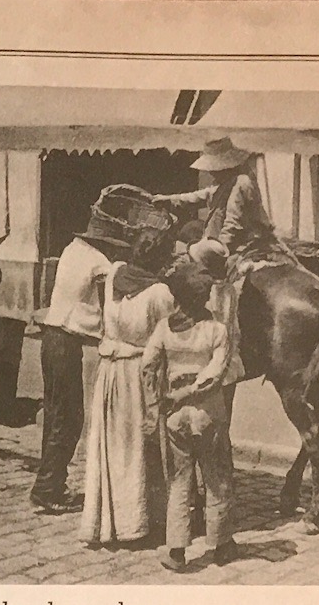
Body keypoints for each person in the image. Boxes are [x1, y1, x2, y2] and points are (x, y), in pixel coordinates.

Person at [31, 207, 126, 513]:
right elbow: (112, 301)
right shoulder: (99, 262)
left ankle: (50, 484)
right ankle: (48, 489)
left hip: (52, 337)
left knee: (56, 412)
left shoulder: (72, 249)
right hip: (65, 342)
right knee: (70, 419)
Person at [143, 258, 237, 571]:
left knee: (179, 480)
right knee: (217, 477)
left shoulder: (163, 329)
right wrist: (191, 391)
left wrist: (156, 402)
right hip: (208, 412)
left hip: (173, 415)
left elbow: (148, 366)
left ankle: (177, 550)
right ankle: (222, 544)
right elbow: (215, 372)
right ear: (199, 298)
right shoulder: (216, 330)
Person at [80, 234, 171, 548]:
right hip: (137, 373)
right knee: (138, 449)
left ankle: (108, 522)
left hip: (108, 371)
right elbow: (167, 340)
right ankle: (138, 524)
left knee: (110, 446)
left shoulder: (115, 275)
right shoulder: (160, 292)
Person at [153, 137, 290, 270]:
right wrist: (167, 199)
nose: (210, 172)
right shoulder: (223, 182)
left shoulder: (240, 183)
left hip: (242, 244)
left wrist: (218, 251)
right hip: (223, 241)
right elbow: (198, 196)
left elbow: (233, 223)